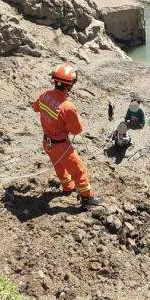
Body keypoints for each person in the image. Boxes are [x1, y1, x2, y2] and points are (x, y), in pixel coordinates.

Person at [32, 63, 102, 207]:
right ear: (70, 85)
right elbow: (77, 130)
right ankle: (87, 198)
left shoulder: (45, 95)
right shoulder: (67, 107)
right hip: (61, 146)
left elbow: (35, 107)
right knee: (79, 171)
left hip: (47, 143)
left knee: (58, 165)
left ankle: (67, 186)